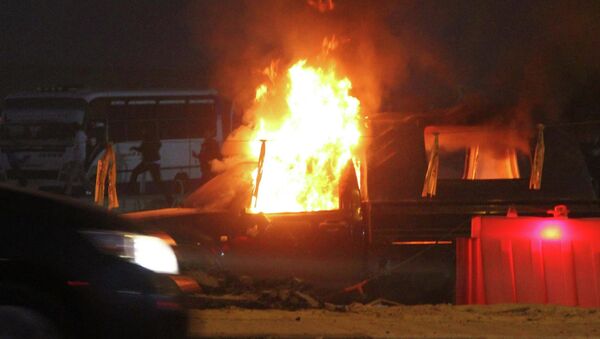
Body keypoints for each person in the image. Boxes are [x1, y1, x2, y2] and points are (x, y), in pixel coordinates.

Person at [129, 129, 172, 205]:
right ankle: (132, 190)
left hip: (151, 163)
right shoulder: (151, 141)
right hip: (150, 162)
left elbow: (142, 149)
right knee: (136, 172)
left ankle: (169, 197)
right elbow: (158, 145)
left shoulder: (147, 141)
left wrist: (134, 148)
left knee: (157, 181)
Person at [64, 123, 89, 195]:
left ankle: (68, 191)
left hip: (78, 158)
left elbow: (74, 147)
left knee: (72, 174)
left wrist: (70, 159)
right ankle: (89, 190)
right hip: (81, 157)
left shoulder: (78, 136)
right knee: (82, 175)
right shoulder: (82, 135)